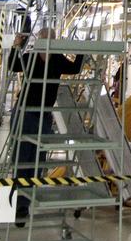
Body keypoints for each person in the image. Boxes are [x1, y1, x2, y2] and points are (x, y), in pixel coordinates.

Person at [8, 29, 82, 223]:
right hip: (25, 111)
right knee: (22, 157)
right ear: (39, 41)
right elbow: (13, 65)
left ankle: (27, 200)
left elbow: (75, 69)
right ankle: (19, 204)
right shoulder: (31, 56)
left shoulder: (57, 59)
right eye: (44, 39)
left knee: (38, 160)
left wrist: (82, 49)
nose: (48, 43)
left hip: (44, 114)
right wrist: (16, 46)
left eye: (51, 39)